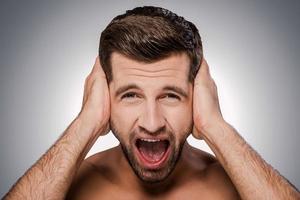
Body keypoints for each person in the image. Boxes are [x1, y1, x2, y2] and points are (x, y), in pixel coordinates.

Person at [4, 6, 300, 200]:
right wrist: (86, 122)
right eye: (130, 95)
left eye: (171, 95)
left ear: (196, 95)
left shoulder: (236, 188)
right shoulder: (67, 186)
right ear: (106, 97)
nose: (152, 121)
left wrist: (215, 126)